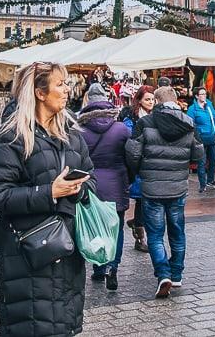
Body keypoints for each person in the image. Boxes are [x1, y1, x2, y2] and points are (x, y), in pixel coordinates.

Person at [0, 62, 95, 335]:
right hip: (28, 256)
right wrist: (49, 193)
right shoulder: (11, 138)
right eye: (60, 84)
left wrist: (79, 189)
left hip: (67, 252)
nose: (67, 90)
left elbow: (91, 180)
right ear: (39, 93)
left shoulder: (72, 136)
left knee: (64, 327)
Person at [126, 84, 203, 298]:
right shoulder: (189, 123)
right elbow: (198, 155)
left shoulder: (145, 122)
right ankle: (176, 274)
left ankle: (163, 274)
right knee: (177, 232)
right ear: (176, 101)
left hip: (152, 188)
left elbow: (132, 154)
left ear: (157, 101)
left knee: (156, 234)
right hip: (178, 187)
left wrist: (139, 171)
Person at [78, 85, 131, 290]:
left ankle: (98, 268)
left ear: (88, 101)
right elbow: (131, 157)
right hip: (116, 183)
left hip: (90, 185)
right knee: (115, 228)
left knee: (93, 226)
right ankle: (112, 266)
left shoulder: (79, 129)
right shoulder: (121, 129)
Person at [124, 85, 154, 253]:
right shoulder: (132, 118)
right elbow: (130, 141)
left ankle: (137, 224)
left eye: (152, 99)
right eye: (147, 99)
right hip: (138, 167)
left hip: (152, 166)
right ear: (139, 100)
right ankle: (140, 237)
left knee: (147, 202)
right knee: (142, 200)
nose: (150, 102)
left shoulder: (156, 116)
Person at [187, 87, 215, 192]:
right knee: (202, 162)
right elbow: (190, 124)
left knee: (214, 160)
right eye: (202, 94)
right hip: (200, 139)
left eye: (205, 94)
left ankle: (210, 181)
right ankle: (202, 184)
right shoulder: (192, 109)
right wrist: (196, 136)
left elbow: (214, 119)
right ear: (196, 96)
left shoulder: (209, 106)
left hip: (211, 137)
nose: (204, 96)